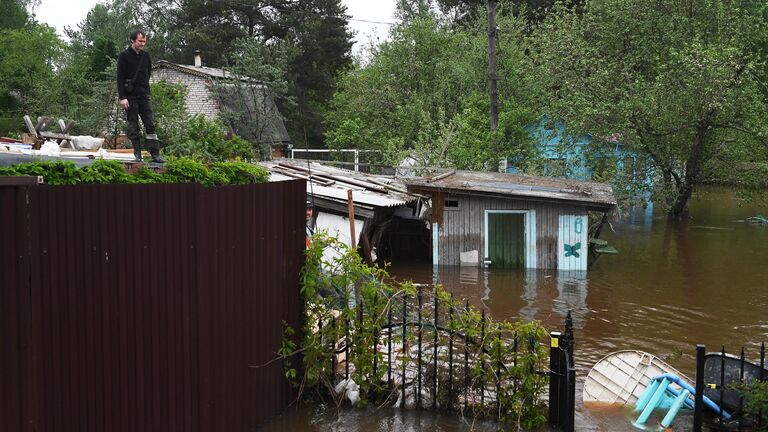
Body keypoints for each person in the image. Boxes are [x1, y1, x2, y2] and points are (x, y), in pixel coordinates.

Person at [117, 30, 164, 163]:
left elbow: (148, 74)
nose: (142, 43)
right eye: (140, 41)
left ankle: (155, 154)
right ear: (133, 40)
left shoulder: (146, 56)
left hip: (144, 96)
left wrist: (145, 90)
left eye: (144, 41)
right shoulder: (124, 56)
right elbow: (119, 78)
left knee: (150, 125)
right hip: (130, 97)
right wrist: (122, 97)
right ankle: (137, 154)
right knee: (133, 126)